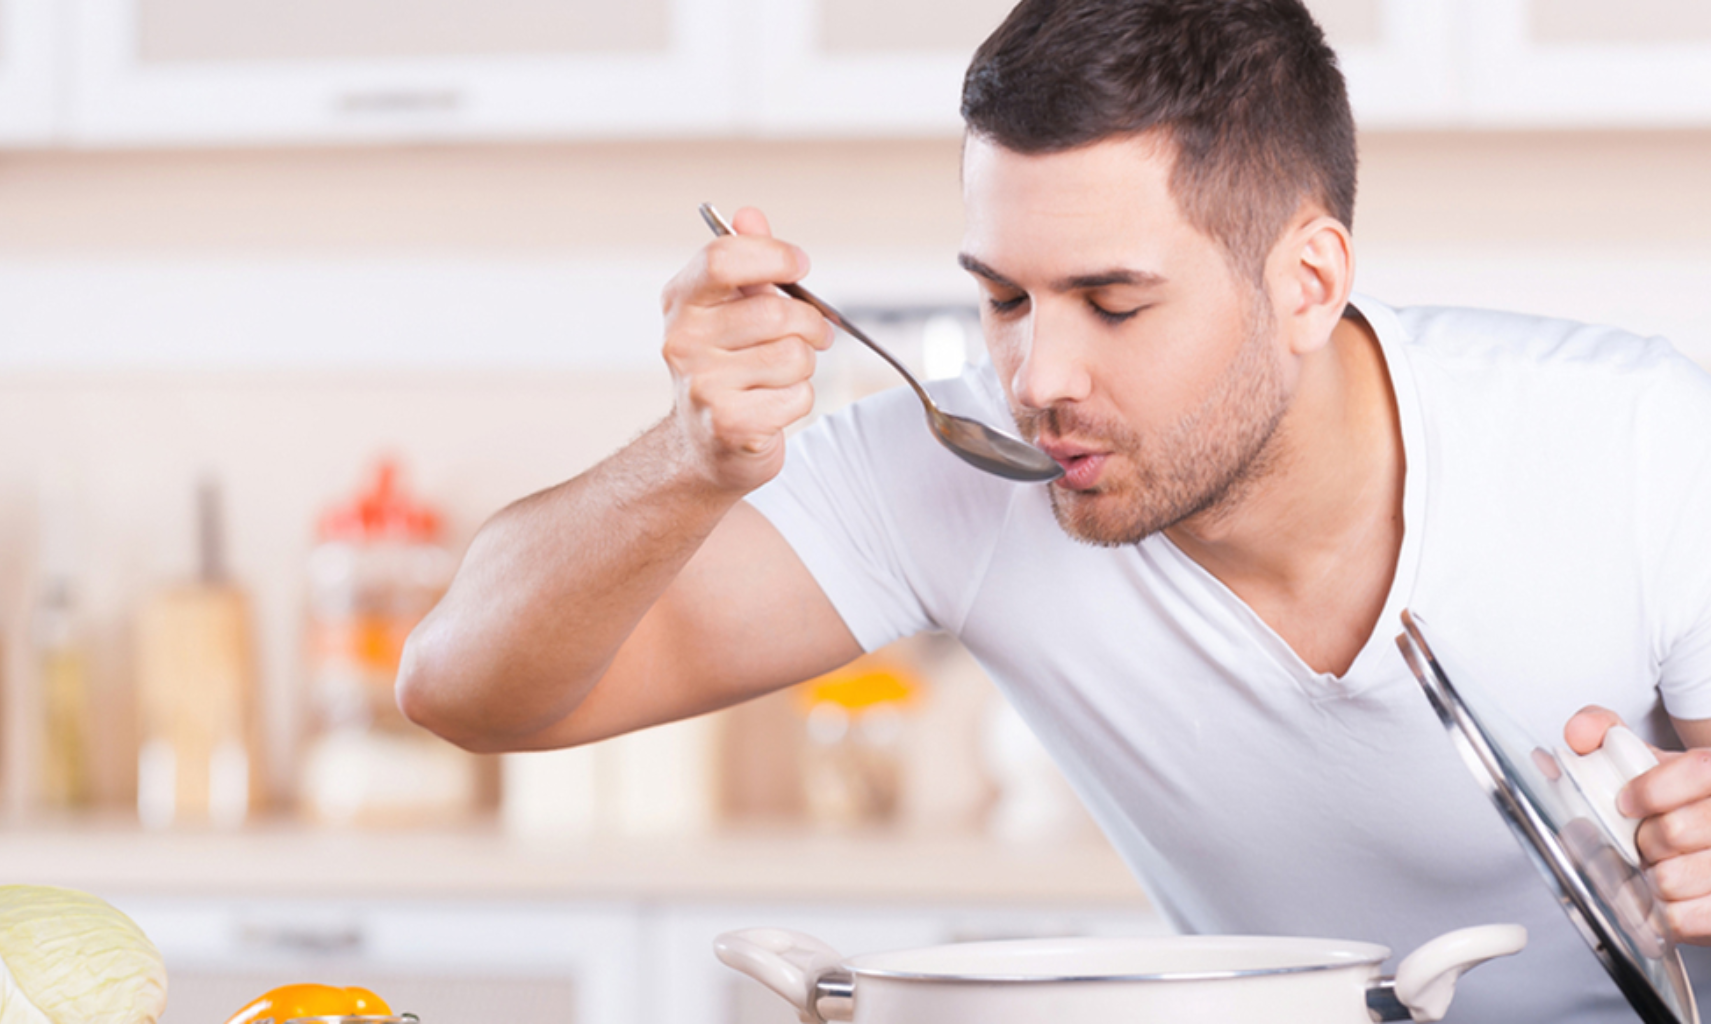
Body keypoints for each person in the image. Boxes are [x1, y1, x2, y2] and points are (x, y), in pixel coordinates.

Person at [396, 0, 1711, 1019]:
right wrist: (686, 459)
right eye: (1006, 298)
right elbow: (465, 687)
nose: (1039, 379)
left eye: (1115, 303)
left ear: (1308, 284)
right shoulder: (953, 476)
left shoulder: (1641, 439)